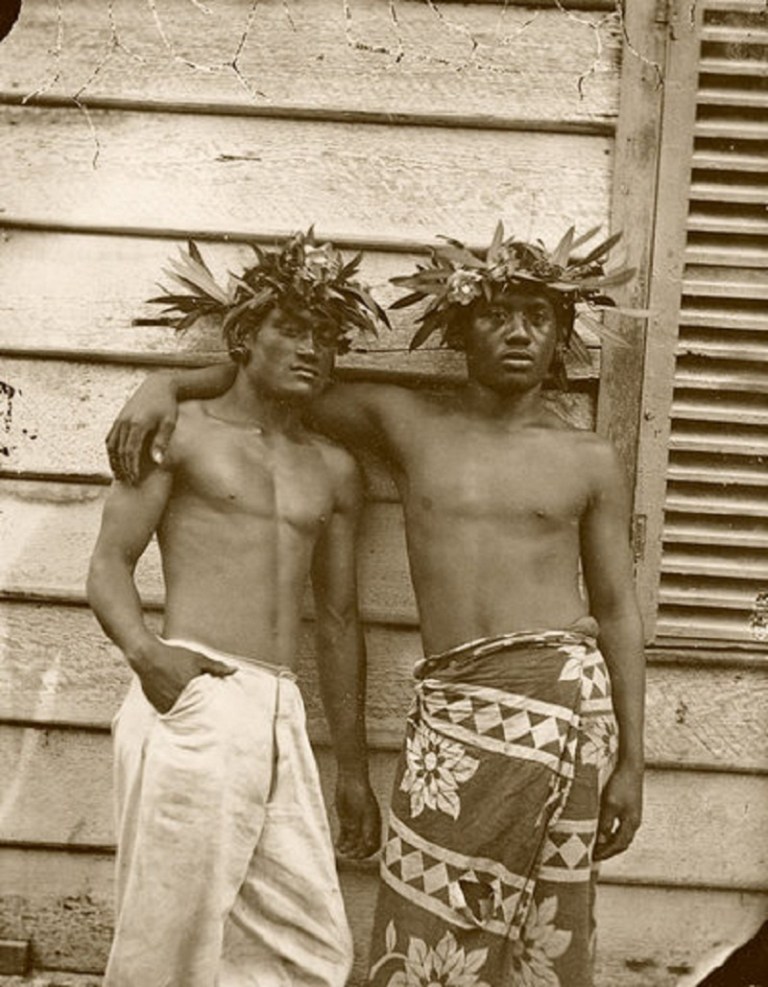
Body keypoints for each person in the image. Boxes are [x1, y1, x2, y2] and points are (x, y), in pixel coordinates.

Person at [107, 223, 645, 987]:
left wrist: (633, 758)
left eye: (540, 317)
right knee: (420, 935)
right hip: (453, 720)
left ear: (562, 333)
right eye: (498, 314)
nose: (520, 332)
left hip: (563, 709)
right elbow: (281, 380)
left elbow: (619, 610)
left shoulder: (588, 457)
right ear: (461, 327)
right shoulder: (408, 422)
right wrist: (165, 383)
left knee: (546, 928)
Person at [88, 231, 384, 987]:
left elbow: (342, 621)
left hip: (280, 710)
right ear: (246, 336)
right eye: (293, 328)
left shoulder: (335, 467)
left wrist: (352, 766)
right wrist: (149, 657)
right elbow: (109, 566)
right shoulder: (181, 432)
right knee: (167, 938)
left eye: (325, 335)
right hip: (196, 690)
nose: (312, 348)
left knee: (310, 945)